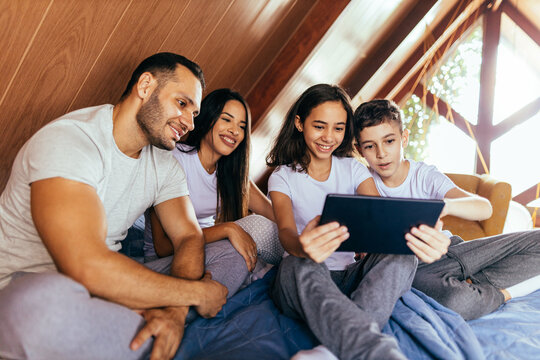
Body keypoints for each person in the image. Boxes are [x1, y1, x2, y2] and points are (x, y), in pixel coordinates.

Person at [0, 52, 229, 360]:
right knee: (41, 307)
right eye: (182, 103)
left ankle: (158, 327)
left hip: (103, 285)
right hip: (28, 289)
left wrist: (174, 311)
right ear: (145, 86)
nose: (189, 123)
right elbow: (86, 266)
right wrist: (197, 293)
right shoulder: (71, 142)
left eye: (195, 113)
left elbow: (189, 237)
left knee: (230, 249)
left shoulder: (164, 164)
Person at [265, 84, 451, 360]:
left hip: (350, 276)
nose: (329, 137)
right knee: (296, 262)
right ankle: (376, 352)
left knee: (402, 255)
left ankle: (330, 351)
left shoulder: (353, 168)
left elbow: (381, 216)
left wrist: (423, 234)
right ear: (299, 123)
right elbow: (285, 232)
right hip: (304, 280)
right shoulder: (282, 176)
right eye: (319, 126)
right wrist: (304, 247)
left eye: (338, 128)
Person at [354, 99, 540, 320]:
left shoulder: (424, 175)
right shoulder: (359, 181)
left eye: (389, 141)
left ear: (404, 138)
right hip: (415, 269)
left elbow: (484, 208)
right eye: (369, 146)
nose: (381, 153)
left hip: (455, 250)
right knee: (459, 302)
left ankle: (473, 281)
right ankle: (495, 293)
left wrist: (446, 205)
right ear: (359, 150)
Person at [144, 88, 282, 296]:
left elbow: (278, 217)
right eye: (227, 120)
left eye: (242, 126)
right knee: (247, 243)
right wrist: (228, 230)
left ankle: (312, 263)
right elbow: (162, 246)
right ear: (208, 118)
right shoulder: (174, 160)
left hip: (212, 249)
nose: (235, 131)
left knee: (266, 237)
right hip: (171, 258)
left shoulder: (233, 175)